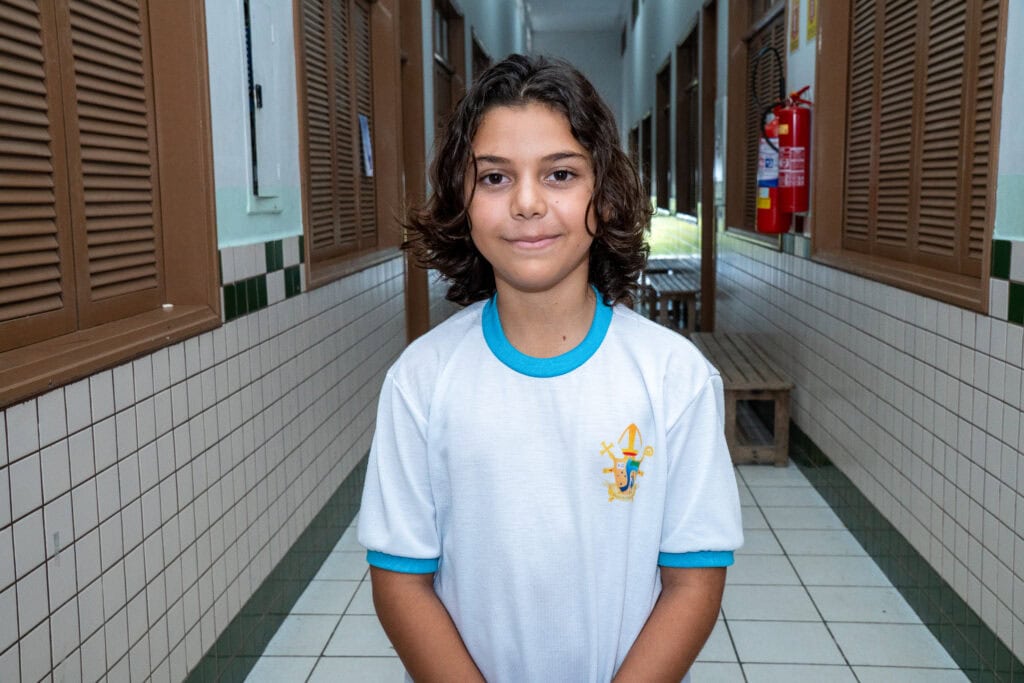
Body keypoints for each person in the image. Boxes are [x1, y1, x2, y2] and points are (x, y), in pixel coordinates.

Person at [358, 54, 743, 682]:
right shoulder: (421, 381)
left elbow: (693, 583)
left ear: (605, 195)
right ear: (462, 200)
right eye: (495, 178)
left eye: (560, 174)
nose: (528, 203)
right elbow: (400, 583)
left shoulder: (675, 378)